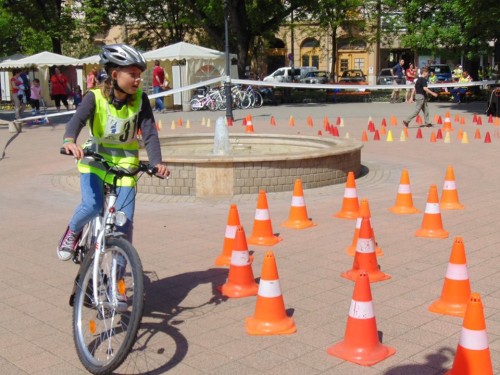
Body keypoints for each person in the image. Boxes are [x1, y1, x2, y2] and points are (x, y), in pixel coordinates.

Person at [58, 44, 170, 260]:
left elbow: (149, 134)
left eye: (140, 75)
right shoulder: (95, 97)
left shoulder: (141, 100)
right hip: (95, 160)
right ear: (115, 74)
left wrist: (157, 162)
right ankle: (72, 231)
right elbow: (76, 121)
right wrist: (69, 141)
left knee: (124, 226)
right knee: (92, 206)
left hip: (126, 165)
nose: (139, 80)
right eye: (134, 75)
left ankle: (117, 283)